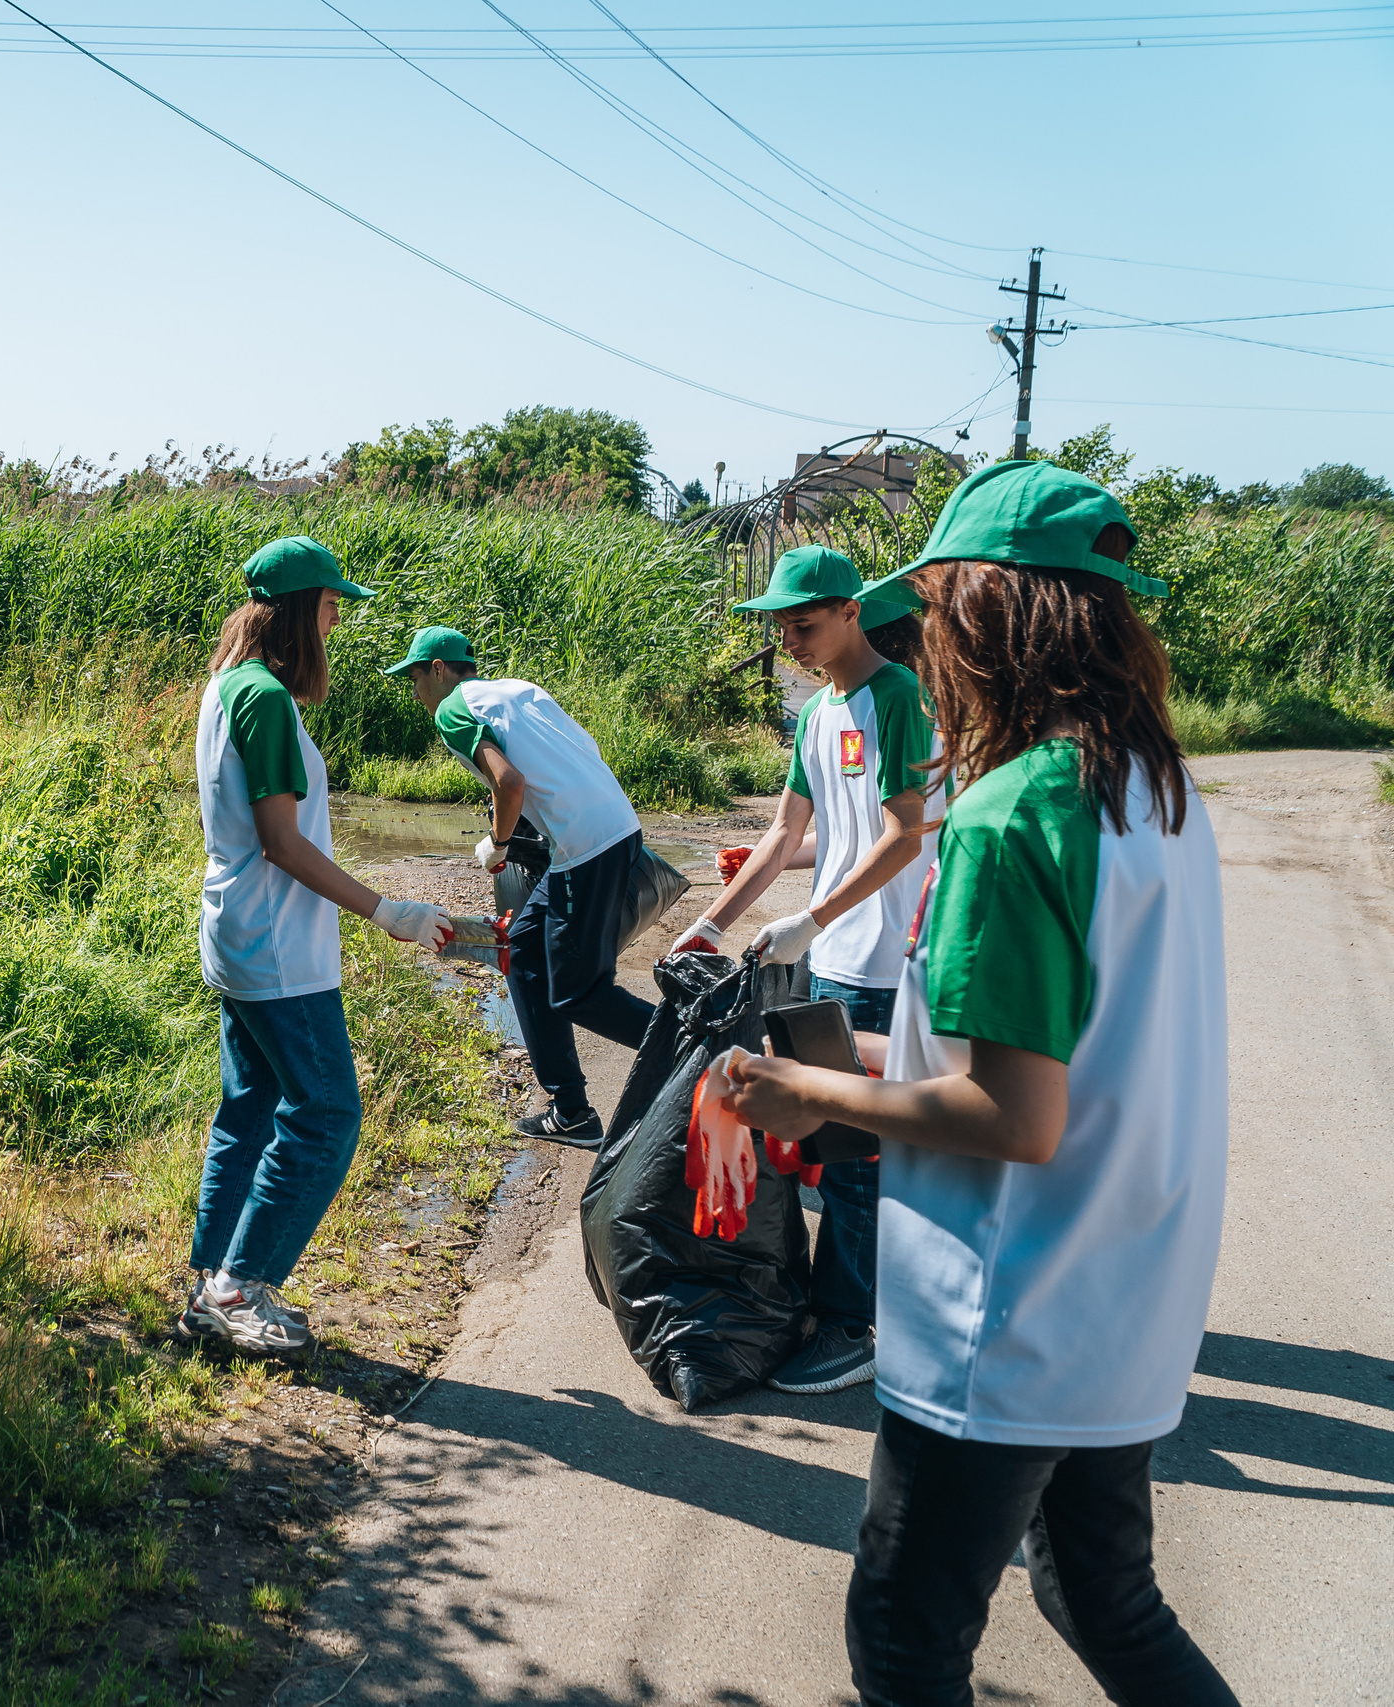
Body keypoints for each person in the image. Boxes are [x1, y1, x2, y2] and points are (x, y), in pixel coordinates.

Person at [722, 460, 1236, 1706]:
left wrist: (816, 1099)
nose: (927, 638)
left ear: (985, 611)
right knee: (1105, 1600)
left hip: (1005, 1315)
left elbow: (1010, 1114)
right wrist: (862, 1070)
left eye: (936, 607)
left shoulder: (1011, 814)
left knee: (905, 1644)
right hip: (1127, 1297)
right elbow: (1074, 1055)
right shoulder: (1150, 788)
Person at [669, 545, 941, 1395]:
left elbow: (906, 835)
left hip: (885, 963)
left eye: (805, 623)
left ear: (853, 611)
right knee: (828, 1143)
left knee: (859, 1158)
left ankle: (852, 1325)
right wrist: (711, 924)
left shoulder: (897, 697)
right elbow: (786, 832)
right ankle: (876, 1298)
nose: (790, 639)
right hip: (831, 959)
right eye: (781, 626)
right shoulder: (818, 712)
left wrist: (812, 917)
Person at [183, 536, 453, 1357]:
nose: (336, 621)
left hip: (239, 932)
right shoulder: (265, 697)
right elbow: (282, 842)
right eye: (332, 605)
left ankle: (210, 1285)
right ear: (300, 609)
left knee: (249, 1110)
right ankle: (239, 1287)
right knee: (329, 1112)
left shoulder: (227, 684)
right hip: (277, 947)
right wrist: (387, 910)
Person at [387, 626, 652, 1149]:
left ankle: (695, 1042)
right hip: (613, 828)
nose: (415, 693)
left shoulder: (452, 709)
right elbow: (584, 750)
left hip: (587, 847)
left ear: (438, 669)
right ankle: (570, 1111)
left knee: (580, 993)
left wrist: (499, 843)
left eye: (415, 679)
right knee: (524, 950)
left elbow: (509, 783)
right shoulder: (517, 689)